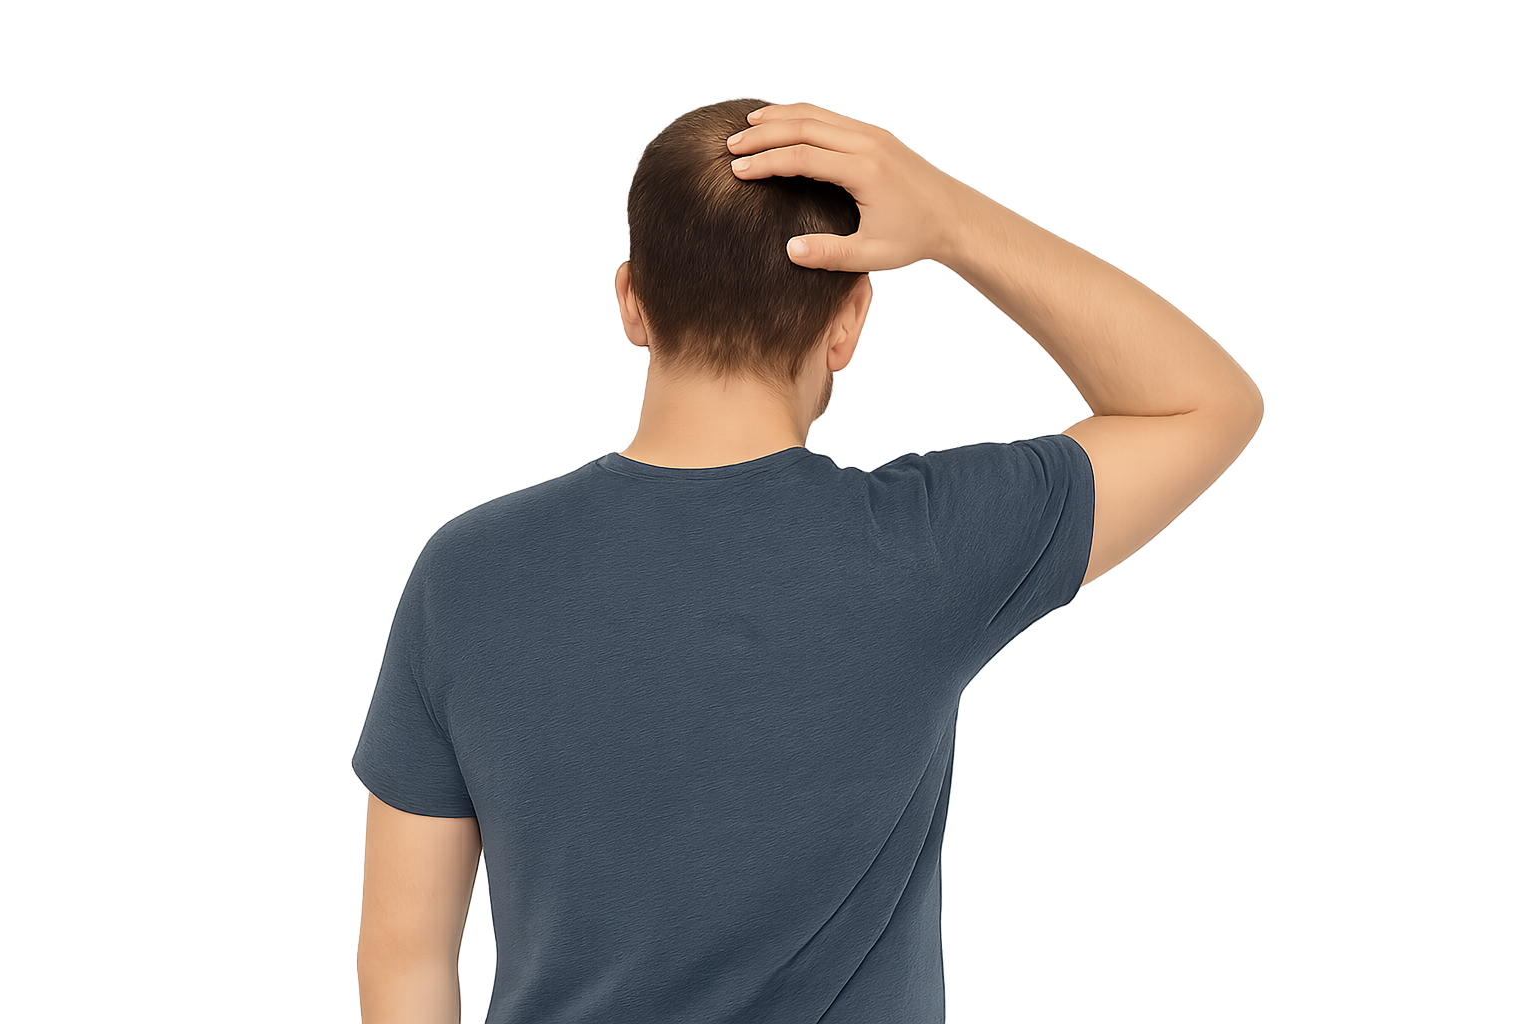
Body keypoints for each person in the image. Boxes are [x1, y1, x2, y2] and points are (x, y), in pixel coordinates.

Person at [351, 98, 1262, 1024]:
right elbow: (1200, 405)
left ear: (631, 300)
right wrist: (951, 221)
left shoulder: (465, 576)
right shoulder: (925, 545)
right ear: (848, 320)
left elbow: (404, 962)